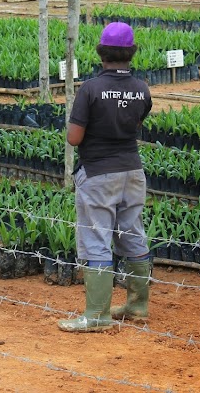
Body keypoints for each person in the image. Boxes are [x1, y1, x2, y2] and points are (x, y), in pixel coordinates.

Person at [58, 22, 153, 333]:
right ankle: (137, 306)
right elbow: (135, 124)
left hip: (99, 173)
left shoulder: (91, 89)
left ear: (101, 53)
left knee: (97, 238)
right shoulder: (141, 88)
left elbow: (74, 138)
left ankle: (97, 316)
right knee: (132, 234)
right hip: (132, 171)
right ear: (131, 53)